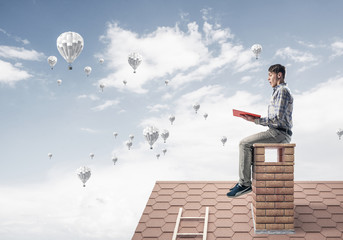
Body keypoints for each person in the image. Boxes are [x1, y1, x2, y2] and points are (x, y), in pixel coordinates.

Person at [227, 64, 293, 198]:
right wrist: (254, 119)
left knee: (244, 144)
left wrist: (254, 120)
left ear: (278, 75)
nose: (268, 79)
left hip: (279, 133)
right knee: (249, 145)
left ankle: (245, 184)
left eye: (270, 75)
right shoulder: (278, 91)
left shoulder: (282, 91)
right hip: (277, 131)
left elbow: (277, 119)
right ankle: (245, 181)